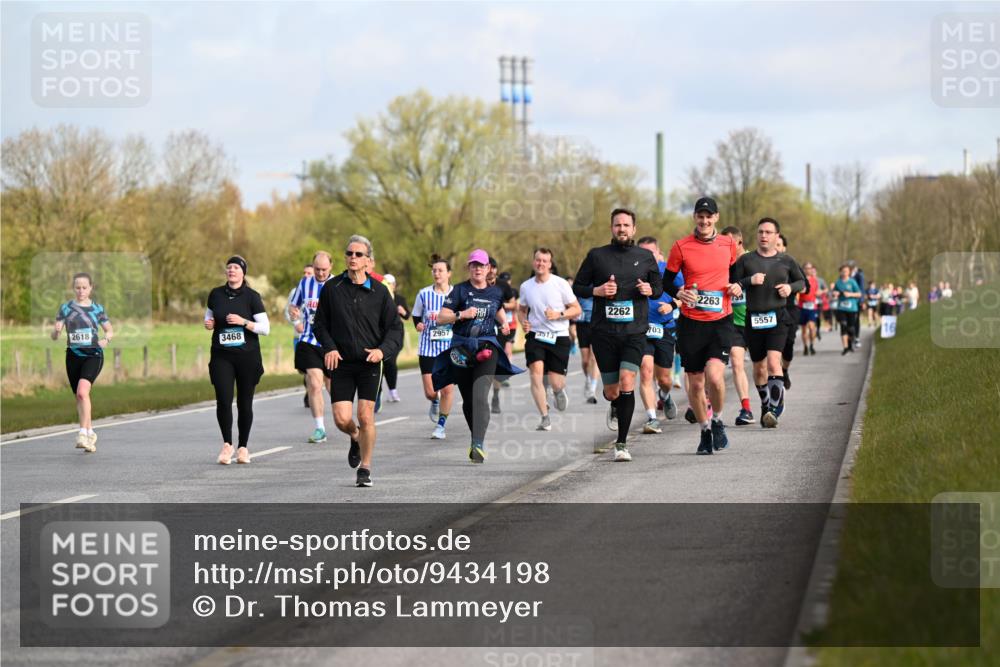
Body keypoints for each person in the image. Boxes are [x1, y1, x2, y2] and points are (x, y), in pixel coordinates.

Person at [572, 208, 663, 461]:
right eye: (617, 225)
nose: (622, 229)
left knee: (627, 381)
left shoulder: (645, 257)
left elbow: (658, 288)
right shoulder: (597, 256)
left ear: (634, 229)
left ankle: (621, 443)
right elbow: (579, 286)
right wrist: (598, 291)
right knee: (612, 391)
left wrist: (648, 289)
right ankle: (614, 404)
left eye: (626, 225)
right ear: (611, 228)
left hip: (634, 331)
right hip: (604, 332)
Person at [313, 235, 403, 487]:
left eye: (358, 254)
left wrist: (382, 351)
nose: (353, 258)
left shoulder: (380, 292)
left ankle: (365, 468)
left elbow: (395, 329)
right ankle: (354, 437)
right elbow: (319, 324)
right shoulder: (332, 289)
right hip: (340, 362)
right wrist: (329, 348)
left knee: (365, 416)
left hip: (369, 364)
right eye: (349, 253)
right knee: (342, 419)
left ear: (368, 261)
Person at [660, 197, 741, 454]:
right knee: (695, 384)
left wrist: (738, 285)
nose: (704, 221)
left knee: (715, 377)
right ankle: (705, 430)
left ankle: (717, 420)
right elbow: (667, 281)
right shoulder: (681, 247)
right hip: (692, 324)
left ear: (716, 217)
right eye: (700, 216)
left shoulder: (728, 244)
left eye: (709, 216)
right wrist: (680, 292)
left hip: (720, 322)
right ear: (695, 217)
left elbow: (736, 275)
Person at [433, 249, 523, 463]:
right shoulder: (459, 291)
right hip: (461, 350)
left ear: (488, 269)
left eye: (481, 265)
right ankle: (475, 436)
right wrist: (461, 314)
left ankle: (478, 443)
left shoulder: (495, 291)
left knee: (480, 395)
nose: (478, 269)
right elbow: (441, 318)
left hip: (486, 347)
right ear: (469, 268)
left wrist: (503, 324)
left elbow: (498, 308)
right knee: (468, 399)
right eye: (474, 265)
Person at [731, 219, 806, 428]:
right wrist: (748, 281)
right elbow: (732, 284)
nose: (764, 236)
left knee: (774, 363)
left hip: (778, 317)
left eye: (769, 232)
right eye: (761, 232)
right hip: (753, 318)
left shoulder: (786, 260)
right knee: (759, 368)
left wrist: (790, 288)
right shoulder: (746, 261)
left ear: (776, 236)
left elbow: (802, 283)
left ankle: (774, 409)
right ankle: (766, 405)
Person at [204, 256, 270, 465]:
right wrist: (209, 323)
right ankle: (226, 445)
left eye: (236, 267)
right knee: (223, 399)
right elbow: (209, 317)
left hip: (247, 357)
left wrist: (244, 322)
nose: (231, 270)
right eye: (229, 267)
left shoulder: (252, 297)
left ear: (243, 273)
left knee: (244, 402)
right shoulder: (215, 294)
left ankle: (243, 447)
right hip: (222, 355)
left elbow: (265, 329)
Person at [518, 248, 582, 431]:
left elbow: (576, 309)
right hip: (536, 336)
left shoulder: (561, 284)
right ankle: (544, 417)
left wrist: (559, 314)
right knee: (536, 374)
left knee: (555, 381)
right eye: (538, 260)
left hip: (559, 336)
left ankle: (558, 390)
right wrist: (524, 322)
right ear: (533, 262)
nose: (541, 264)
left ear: (550, 264)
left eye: (545, 261)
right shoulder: (526, 286)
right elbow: (521, 309)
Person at [51, 272, 114, 453]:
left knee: (82, 392)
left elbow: (109, 330)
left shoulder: (97, 309)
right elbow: (55, 336)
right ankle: (91, 432)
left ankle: (82, 433)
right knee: (80, 397)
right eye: (77, 287)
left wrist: (106, 340)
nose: (81, 291)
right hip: (73, 355)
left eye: (84, 287)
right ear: (73, 288)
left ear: (91, 288)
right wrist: (56, 331)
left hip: (93, 354)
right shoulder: (66, 309)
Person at [636, 236, 682, 433]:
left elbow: (687, 297)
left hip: (664, 326)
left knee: (664, 379)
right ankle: (652, 417)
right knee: (646, 371)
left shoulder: (669, 272)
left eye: (650, 253)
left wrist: (671, 305)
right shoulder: (631, 272)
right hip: (640, 328)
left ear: (658, 253)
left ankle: (665, 395)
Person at [289, 251, 334, 443]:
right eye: (317, 269)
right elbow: (294, 306)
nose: (321, 273)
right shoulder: (305, 283)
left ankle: (345, 419)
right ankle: (320, 428)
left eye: (324, 270)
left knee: (335, 389)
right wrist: (294, 314)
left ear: (330, 267)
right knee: (315, 383)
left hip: (333, 345)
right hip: (309, 341)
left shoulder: (339, 284)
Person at [411, 255, 456, 439]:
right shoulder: (424, 294)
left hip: (449, 348)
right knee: (431, 392)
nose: (437, 273)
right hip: (428, 348)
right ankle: (434, 401)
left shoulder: (456, 294)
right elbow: (416, 315)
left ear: (448, 273)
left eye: (440, 270)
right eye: (434, 270)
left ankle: (441, 426)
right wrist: (418, 325)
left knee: (447, 389)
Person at [720, 226, 754, 425]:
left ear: (739, 243)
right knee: (737, 363)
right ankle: (746, 408)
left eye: (729, 244)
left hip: (755, 319)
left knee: (762, 369)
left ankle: (772, 399)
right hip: (733, 322)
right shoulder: (721, 263)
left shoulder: (753, 260)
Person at [775, 234, 806, 390]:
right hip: (770, 310)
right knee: (773, 346)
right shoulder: (761, 263)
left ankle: (784, 370)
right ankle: (775, 375)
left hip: (790, 310)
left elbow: (804, 286)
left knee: (788, 345)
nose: (776, 247)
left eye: (779, 244)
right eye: (774, 244)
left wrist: (790, 288)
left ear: (784, 247)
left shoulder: (791, 263)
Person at [488, 258, 518, 413]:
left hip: (500, 329)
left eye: (494, 267)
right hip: (480, 330)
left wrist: (500, 305)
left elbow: (514, 304)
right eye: (488, 267)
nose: (491, 270)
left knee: (495, 365)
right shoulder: (475, 284)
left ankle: (496, 395)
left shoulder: (503, 285)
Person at [285, 263, 314, 408]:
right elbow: (288, 311)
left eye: (309, 273)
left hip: (314, 337)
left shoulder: (319, 291)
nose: (306, 275)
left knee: (311, 368)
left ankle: (311, 393)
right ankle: (310, 388)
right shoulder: (295, 291)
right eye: (304, 272)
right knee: (303, 369)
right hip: (299, 336)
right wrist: (296, 322)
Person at [381, 273, 410, 402]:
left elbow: (407, 316)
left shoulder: (399, 299)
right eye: (385, 283)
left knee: (390, 361)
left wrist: (402, 311)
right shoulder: (378, 297)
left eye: (390, 284)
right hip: (380, 336)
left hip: (396, 337)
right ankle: (378, 392)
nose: (388, 286)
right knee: (381, 363)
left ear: (394, 285)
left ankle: (393, 391)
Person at [573, 293, 600, 404]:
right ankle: (588, 380)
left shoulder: (600, 282)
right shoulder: (579, 286)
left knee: (594, 359)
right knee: (585, 361)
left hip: (597, 325)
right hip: (582, 325)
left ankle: (592, 390)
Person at [833, 264, 863, 355]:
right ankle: (845, 348)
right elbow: (834, 292)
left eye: (846, 271)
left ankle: (850, 343)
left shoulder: (852, 282)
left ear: (849, 272)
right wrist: (835, 293)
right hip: (841, 308)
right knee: (843, 326)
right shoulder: (838, 282)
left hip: (852, 308)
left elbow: (859, 294)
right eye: (842, 271)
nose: (844, 273)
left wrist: (850, 294)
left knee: (851, 328)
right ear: (840, 272)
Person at [798, 263, 820, 355]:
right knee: (803, 329)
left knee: (811, 327)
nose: (808, 270)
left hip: (812, 307)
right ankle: (805, 347)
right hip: (802, 306)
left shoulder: (815, 280)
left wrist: (818, 293)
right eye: (806, 268)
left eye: (810, 268)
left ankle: (812, 345)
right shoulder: (800, 280)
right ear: (803, 269)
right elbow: (797, 291)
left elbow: (817, 291)